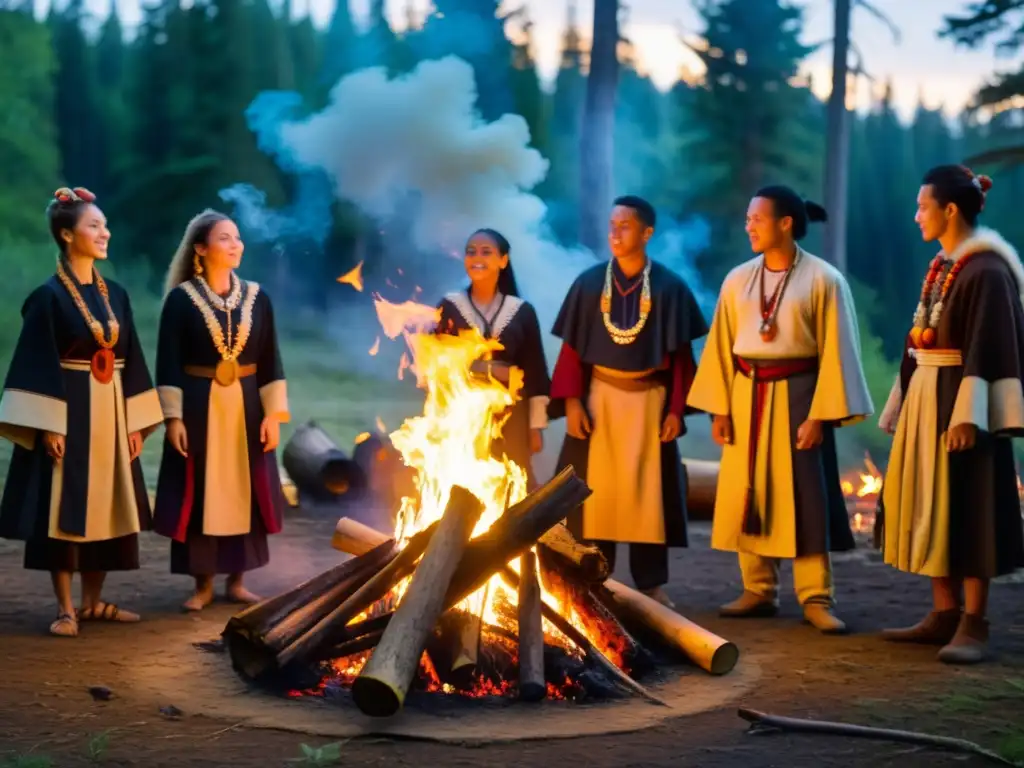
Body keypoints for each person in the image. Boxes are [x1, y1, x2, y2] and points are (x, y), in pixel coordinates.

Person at [687, 185, 873, 634]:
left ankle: (815, 597)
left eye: (757, 218)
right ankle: (758, 589)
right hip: (746, 393)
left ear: (785, 223)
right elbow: (721, 347)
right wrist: (720, 410)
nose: (748, 225)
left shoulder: (824, 279)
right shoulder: (737, 279)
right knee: (750, 491)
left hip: (799, 398)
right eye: (747, 218)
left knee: (806, 496)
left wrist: (819, 416)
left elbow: (838, 352)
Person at [875, 166, 1024, 664]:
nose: (916, 215)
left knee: (970, 502)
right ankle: (942, 613)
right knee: (931, 503)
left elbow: (992, 344)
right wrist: (903, 397)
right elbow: (920, 336)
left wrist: (969, 417)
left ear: (950, 209)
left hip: (963, 402)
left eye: (923, 206)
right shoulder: (945, 265)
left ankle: (974, 622)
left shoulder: (987, 270)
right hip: (927, 395)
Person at [0, 187, 164, 637]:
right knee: (64, 506)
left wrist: (136, 424)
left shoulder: (118, 295)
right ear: (68, 235)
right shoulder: (46, 298)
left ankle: (94, 602)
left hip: (111, 411)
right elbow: (35, 360)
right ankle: (66, 608)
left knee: (108, 504)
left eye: (105, 225)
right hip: (68, 412)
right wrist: (47, 424)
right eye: (95, 225)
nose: (104, 232)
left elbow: (131, 357)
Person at [548, 195, 708, 608]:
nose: (615, 233)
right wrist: (571, 404)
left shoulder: (670, 288)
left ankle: (651, 584)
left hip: (649, 403)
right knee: (595, 496)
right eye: (612, 225)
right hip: (599, 400)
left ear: (646, 233)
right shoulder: (588, 284)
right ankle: (593, 580)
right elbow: (571, 354)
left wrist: (676, 410)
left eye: (625, 226)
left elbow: (679, 359)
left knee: (647, 498)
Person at [152, 209, 290, 611]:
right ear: (201, 249)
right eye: (225, 238)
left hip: (247, 406)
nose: (236, 245)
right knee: (202, 490)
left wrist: (273, 415)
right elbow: (168, 362)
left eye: (237, 237)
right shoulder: (181, 301)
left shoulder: (258, 297)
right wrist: (173, 418)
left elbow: (271, 360)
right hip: (198, 405)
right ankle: (203, 584)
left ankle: (238, 580)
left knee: (246, 489)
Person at [435, 229, 550, 488]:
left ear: (503, 260)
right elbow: (435, 362)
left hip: (513, 418)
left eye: (486, 252)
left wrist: (535, 427)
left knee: (514, 480)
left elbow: (536, 374)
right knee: (463, 481)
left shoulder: (521, 311)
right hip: (461, 412)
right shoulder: (450, 306)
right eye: (471, 251)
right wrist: (486, 369)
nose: (477, 257)